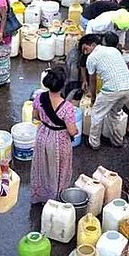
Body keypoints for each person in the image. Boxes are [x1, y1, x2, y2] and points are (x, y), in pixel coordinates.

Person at [31, 67, 78, 204]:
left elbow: (35, 116)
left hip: (42, 135)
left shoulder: (39, 97)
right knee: (59, 168)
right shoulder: (67, 107)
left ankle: (41, 196)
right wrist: (75, 131)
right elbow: (72, 131)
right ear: (62, 85)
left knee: (42, 166)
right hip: (59, 140)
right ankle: (56, 198)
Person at [80, 33, 129, 150]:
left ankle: (94, 143)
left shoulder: (92, 58)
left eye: (85, 48)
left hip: (112, 90)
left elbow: (92, 81)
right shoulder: (113, 51)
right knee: (114, 114)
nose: (85, 52)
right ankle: (117, 141)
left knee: (96, 115)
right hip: (128, 87)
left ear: (93, 45)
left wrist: (93, 97)